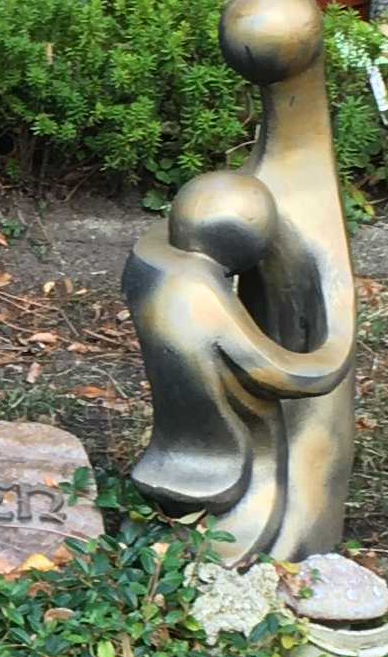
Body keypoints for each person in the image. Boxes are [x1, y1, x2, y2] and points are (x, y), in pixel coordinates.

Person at [122, 169, 352, 565]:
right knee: (244, 534)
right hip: (227, 460)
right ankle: (229, 576)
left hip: (174, 443)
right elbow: (290, 374)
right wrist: (337, 345)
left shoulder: (148, 263)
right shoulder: (202, 297)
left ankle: (167, 562)